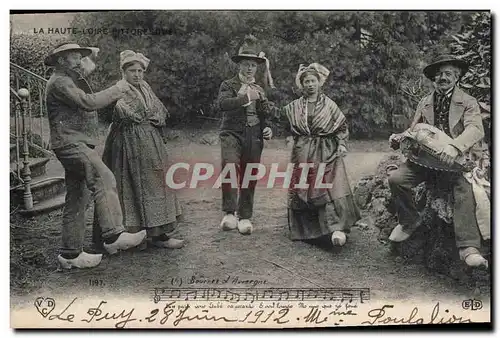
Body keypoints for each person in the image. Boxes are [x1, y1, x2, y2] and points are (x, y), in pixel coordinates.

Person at [44, 42, 147, 269]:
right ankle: (114, 235)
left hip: (71, 143)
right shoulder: (61, 82)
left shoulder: (68, 80)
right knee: (103, 178)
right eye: (75, 56)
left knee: (77, 197)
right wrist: (119, 87)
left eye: (81, 56)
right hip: (72, 144)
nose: (80, 60)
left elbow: (87, 95)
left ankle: (70, 254)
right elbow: (88, 103)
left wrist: (87, 68)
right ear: (61, 60)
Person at [388, 55, 487, 267]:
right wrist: (399, 137)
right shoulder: (425, 102)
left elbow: (475, 129)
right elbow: (415, 128)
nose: (443, 77)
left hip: (456, 161)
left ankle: (468, 247)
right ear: (434, 78)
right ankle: (409, 221)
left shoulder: (468, 102)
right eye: (439, 74)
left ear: (457, 77)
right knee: (397, 179)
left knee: (464, 189)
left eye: (448, 73)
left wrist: (454, 146)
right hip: (426, 160)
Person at [101, 50, 184, 249]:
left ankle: (159, 234)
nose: (137, 75)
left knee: (156, 183)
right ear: (124, 72)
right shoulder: (119, 90)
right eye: (132, 71)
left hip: (151, 141)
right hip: (128, 143)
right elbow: (123, 113)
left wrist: (154, 117)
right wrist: (143, 116)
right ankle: (131, 235)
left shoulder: (145, 87)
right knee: (131, 184)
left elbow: (159, 110)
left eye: (140, 71)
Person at [281, 63, 361, 247]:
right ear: (302, 85)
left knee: (328, 188)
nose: (310, 84)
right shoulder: (294, 107)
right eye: (306, 81)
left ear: (319, 83)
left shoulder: (329, 105)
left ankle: (336, 229)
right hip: (302, 151)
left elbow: (342, 126)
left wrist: (341, 144)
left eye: (313, 81)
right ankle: (306, 231)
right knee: (303, 188)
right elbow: (287, 127)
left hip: (326, 150)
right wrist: (290, 139)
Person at [217, 35, 274, 235]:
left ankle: (245, 216)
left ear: (256, 68)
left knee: (250, 173)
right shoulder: (228, 85)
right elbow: (223, 105)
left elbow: (265, 112)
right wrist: (245, 97)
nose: (249, 68)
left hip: (254, 134)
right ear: (239, 65)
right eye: (246, 64)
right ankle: (230, 213)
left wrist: (268, 127)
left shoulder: (260, 88)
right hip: (231, 132)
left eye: (253, 65)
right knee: (230, 166)